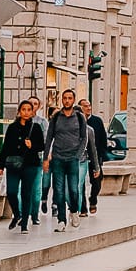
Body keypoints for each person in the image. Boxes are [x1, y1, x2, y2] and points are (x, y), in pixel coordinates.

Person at [45, 90, 88, 232]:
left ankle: (74, 211)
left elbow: (84, 138)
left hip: (73, 159)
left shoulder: (80, 117)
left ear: (74, 100)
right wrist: (46, 158)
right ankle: (61, 220)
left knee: (74, 190)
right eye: (65, 98)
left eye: (70, 98)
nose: (67, 100)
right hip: (58, 158)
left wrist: (78, 155)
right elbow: (49, 138)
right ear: (61, 100)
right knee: (59, 190)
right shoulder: (56, 117)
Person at [0, 98, 43, 233]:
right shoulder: (12, 127)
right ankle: (17, 214)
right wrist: (0, 165)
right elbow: (5, 147)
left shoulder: (35, 127)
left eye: (29, 110)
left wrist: (32, 146)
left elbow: (42, 146)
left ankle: (24, 223)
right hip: (13, 164)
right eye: (23, 109)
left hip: (30, 164)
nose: (26, 112)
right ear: (19, 111)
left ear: (32, 112)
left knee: (26, 193)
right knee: (11, 191)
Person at [78, 99, 105, 215]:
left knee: (97, 182)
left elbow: (103, 139)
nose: (88, 108)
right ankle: (83, 208)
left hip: (94, 156)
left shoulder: (97, 121)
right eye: (85, 106)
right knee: (81, 184)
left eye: (89, 105)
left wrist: (101, 157)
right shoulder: (76, 122)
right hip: (81, 157)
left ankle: (93, 199)